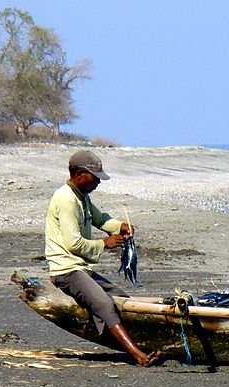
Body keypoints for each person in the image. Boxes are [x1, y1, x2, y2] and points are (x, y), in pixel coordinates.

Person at [45, 150, 161, 367]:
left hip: (81, 269)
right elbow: (73, 244)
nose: (98, 182)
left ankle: (139, 343)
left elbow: (100, 219)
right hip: (66, 270)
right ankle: (138, 356)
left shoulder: (82, 197)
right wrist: (104, 244)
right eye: (95, 177)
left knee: (122, 298)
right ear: (80, 174)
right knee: (104, 304)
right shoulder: (67, 200)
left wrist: (120, 227)